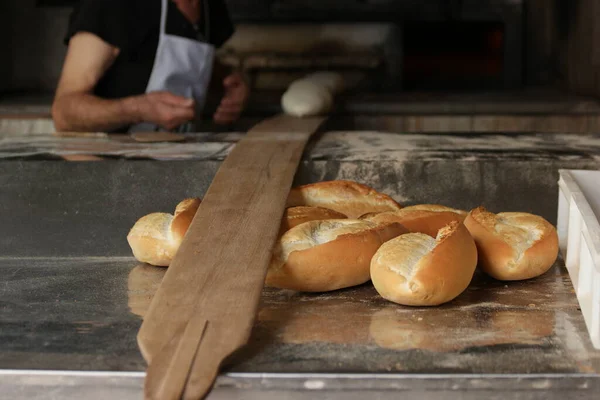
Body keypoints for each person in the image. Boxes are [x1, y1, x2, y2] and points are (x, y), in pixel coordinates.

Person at [52, 0, 249, 133]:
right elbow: (63, 111)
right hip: (110, 171)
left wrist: (228, 85)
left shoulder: (210, 6)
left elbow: (193, 64)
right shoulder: (111, 5)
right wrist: (137, 109)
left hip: (182, 160)